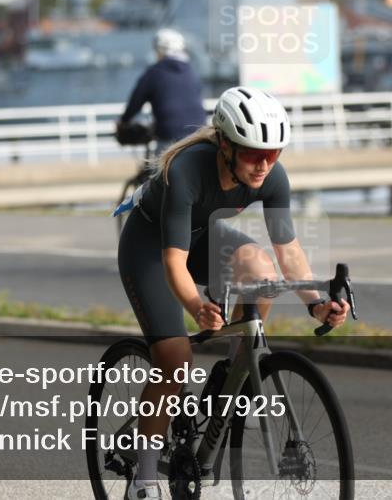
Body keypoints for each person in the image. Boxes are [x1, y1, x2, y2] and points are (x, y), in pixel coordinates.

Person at [117, 86, 351, 500]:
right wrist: (196, 307)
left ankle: (233, 371)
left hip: (203, 237)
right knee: (174, 360)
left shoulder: (272, 176)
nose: (263, 164)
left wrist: (316, 304)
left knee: (261, 268)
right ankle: (145, 474)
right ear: (225, 144)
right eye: (252, 153)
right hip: (150, 248)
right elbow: (174, 262)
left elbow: (289, 251)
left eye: (273, 153)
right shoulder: (187, 170)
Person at [118, 28, 205, 153]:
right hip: (198, 134)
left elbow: (135, 103)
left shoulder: (154, 73)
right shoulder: (192, 72)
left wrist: (124, 121)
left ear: (159, 50)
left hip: (169, 136)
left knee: (159, 168)